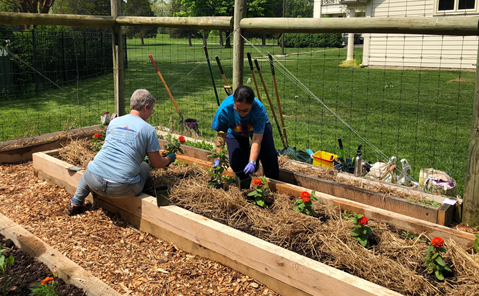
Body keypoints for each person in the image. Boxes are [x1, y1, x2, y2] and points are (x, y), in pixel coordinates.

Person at [68, 89, 175, 216]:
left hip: (94, 181)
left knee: (92, 167)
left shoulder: (114, 122)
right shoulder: (148, 129)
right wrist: (169, 159)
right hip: (122, 188)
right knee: (145, 166)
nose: (151, 113)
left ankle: (76, 202)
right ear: (146, 107)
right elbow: (157, 163)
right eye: (152, 110)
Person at [211, 85, 279, 179]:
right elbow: (221, 134)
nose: (241, 113)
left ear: (252, 103)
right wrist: (218, 159)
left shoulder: (258, 109)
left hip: (257, 131)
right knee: (237, 165)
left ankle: (273, 184)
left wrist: (252, 162)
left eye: (245, 110)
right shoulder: (225, 109)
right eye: (238, 109)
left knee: (269, 155)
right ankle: (249, 158)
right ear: (234, 102)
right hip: (235, 131)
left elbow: (257, 140)